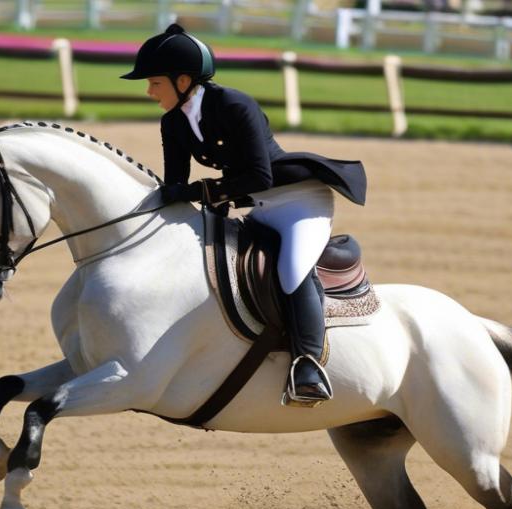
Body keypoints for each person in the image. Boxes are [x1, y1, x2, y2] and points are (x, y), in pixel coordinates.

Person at [122, 24, 367, 405]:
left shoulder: (235, 105)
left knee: (290, 270)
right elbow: (176, 183)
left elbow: (258, 175)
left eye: (155, 82)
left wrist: (201, 192)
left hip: (300, 201)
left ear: (183, 80)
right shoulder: (173, 121)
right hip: (259, 204)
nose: (148, 91)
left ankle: (308, 366)